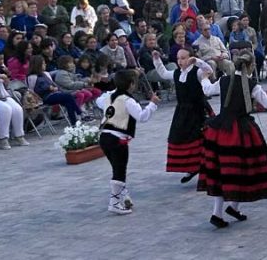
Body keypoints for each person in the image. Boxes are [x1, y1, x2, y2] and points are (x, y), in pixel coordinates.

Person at [199, 49, 267, 228]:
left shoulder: (224, 80)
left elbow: (207, 89)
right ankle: (226, 209)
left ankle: (225, 210)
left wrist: (205, 77)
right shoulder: (251, 83)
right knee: (241, 168)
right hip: (240, 130)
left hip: (220, 129)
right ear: (251, 65)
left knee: (222, 170)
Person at [95, 70, 160, 215]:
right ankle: (114, 202)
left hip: (104, 137)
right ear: (131, 84)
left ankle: (124, 197)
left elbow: (98, 101)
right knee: (119, 171)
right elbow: (142, 117)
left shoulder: (107, 96)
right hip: (117, 139)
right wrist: (152, 104)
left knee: (116, 168)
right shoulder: (128, 101)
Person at [152, 48, 214, 183]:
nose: (180, 61)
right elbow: (163, 73)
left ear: (190, 58)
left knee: (202, 138)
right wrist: (157, 59)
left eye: (184, 58)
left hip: (198, 110)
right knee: (179, 137)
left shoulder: (196, 72)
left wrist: (197, 61)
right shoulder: (176, 73)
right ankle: (192, 167)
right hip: (182, 111)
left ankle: (206, 166)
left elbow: (209, 70)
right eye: (179, 58)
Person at [27, 55, 87, 125]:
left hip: (54, 94)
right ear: (37, 65)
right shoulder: (32, 77)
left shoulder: (45, 74)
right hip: (44, 98)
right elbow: (33, 91)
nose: (45, 64)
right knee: (68, 96)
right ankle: (80, 113)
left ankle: (74, 123)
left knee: (68, 102)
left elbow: (53, 84)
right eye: (43, 63)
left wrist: (55, 88)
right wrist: (48, 88)